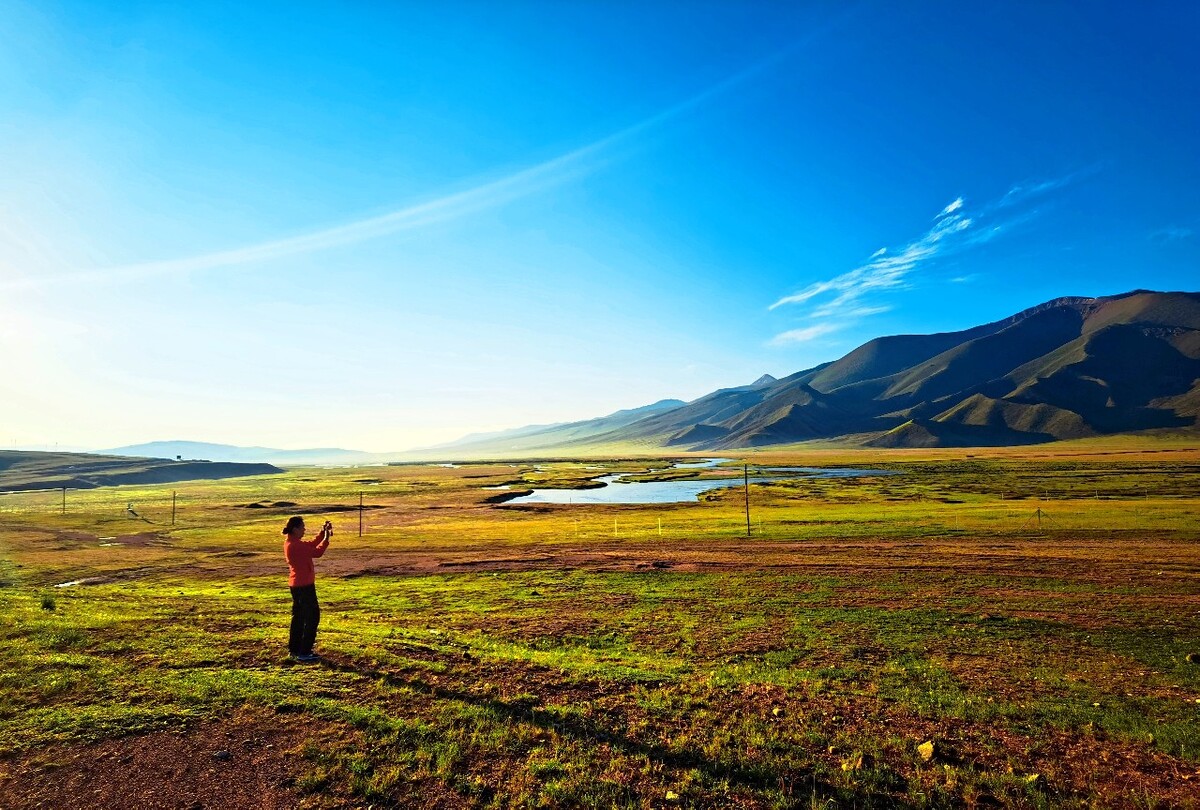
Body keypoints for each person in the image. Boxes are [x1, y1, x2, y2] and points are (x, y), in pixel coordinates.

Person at [282, 516, 332, 662]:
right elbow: (317, 552)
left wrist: (322, 533)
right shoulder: (295, 545)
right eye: (302, 527)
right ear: (295, 529)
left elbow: (311, 545)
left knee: (299, 618)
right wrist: (326, 538)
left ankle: (294, 649)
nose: (304, 529)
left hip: (297, 585)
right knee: (312, 617)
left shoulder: (292, 542)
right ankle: (304, 651)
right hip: (304, 586)